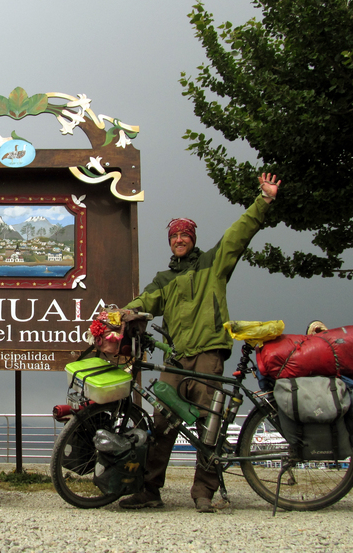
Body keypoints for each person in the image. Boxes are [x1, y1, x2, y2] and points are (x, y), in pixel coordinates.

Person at [117, 173, 281, 513]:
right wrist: (123, 313)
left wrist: (264, 200)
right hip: (177, 359)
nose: (179, 239)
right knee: (161, 424)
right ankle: (150, 491)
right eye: (174, 236)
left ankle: (203, 492)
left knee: (210, 424)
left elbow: (238, 234)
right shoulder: (164, 279)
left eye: (184, 235)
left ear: (192, 239)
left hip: (208, 354)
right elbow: (145, 302)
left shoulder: (213, 264)